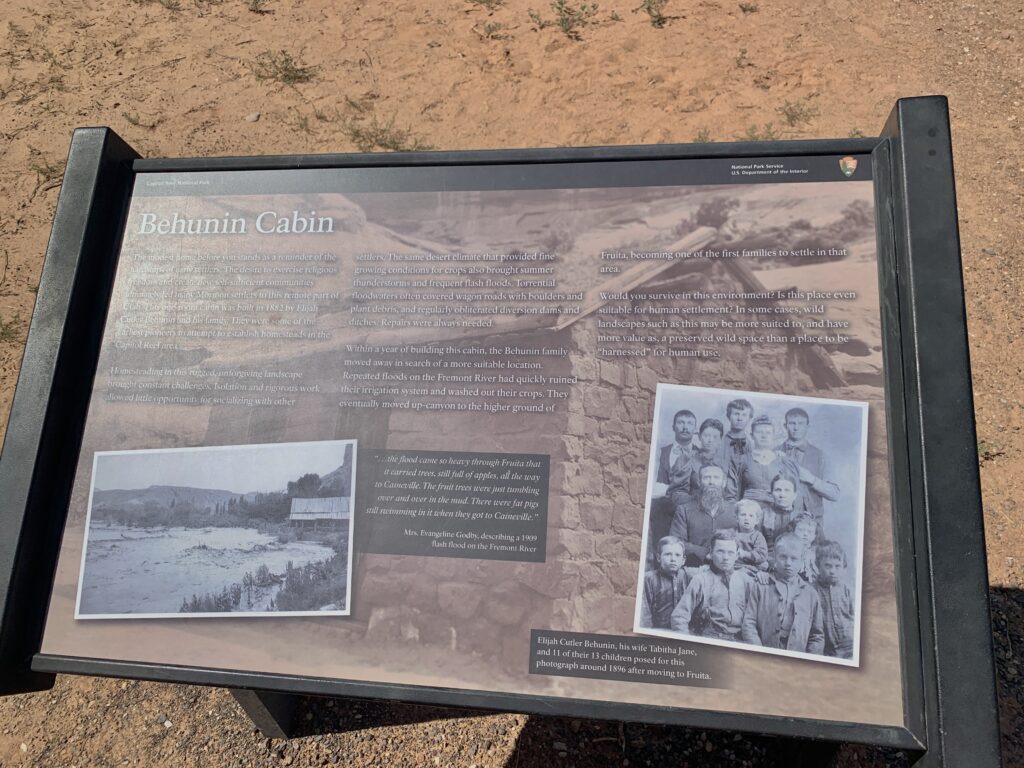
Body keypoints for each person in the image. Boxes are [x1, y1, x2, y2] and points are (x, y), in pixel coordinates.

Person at [741, 534, 824, 654]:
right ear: (774, 557)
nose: (788, 563)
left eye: (794, 558)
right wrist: (759, 652)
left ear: (802, 560)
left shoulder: (811, 594)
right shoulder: (761, 586)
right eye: (783, 557)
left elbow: (817, 636)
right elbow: (749, 624)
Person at [670, 530, 746, 641]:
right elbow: (679, 617)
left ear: (737, 555)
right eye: (720, 551)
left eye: (730, 552)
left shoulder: (745, 581)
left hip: (739, 641)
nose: (725, 557)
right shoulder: (700, 580)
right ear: (711, 553)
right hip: (709, 638)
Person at [777, 407, 840, 527]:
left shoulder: (820, 456)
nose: (796, 428)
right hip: (780, 522)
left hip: (811, 525)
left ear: (808, 426)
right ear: (785, 426)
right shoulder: (774, 453)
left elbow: (834, 494)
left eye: (801, 423)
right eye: (792, 423)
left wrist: (811, 479)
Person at [669, 464, 737, 566]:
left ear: (724, 483)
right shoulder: (684, 510)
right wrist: (705, 553)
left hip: (729, 568)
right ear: (699, 482)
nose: (711, 482)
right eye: (707, 477)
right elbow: (676, 542)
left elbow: (746, 540)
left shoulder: (736, 511)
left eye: (716, 478)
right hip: (695, 568)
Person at [727, 415, 801, 507]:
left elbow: (794, 494)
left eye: (768, 433)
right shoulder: (740, 460)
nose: (764, 436)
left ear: (773, 436)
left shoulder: (784, 461)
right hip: (748, 512)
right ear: (751, 435)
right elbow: (731, 494)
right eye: (759, 432)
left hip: (777, 512)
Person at [815, 540, 855, 659]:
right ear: (818, 565)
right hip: (826, 649)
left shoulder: (848, 589)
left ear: (843, 566)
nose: (833, 571)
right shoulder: (811, 590)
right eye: (828, 565)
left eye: (837, 566)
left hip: (850, 647)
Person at [639, 536, 689, 629]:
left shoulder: (687, 576)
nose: (673, 559)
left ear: (683, 560)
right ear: (658, 557)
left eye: (677, 555)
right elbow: (644, 616)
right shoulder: (648, 579)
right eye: (668, 554)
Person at [655, 409, 700, 507]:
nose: (685, 427)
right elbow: (652, 485)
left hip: (691, 511)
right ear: (673, 427)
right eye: (680, 423)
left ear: (695, 429)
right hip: (661, 511)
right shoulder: (660, 452)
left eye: (690, 424)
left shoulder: (701, 455)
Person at [762, 473, 804, 559]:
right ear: (771, 493)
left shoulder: (803, 518)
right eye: (778, 490)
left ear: (795, 495)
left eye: (787, 490)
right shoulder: (761, 515)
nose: (782, 495)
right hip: (766, 561)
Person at [689, 418, 730, 492]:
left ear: (720, 440)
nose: (710, 440)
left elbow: (731, 492)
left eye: (715, 437)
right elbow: (679, 491)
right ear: (699, 437)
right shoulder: (688, 460)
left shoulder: (727, 462)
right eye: (706, 435)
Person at [733, 499, 768, 571]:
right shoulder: (732, 533)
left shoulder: (758, 536)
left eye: (751, 516)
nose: (746, 518)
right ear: (737, 518)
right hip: (734, 564)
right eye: (743, 515)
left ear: (757, 521)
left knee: (763, 565)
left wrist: (746, 554)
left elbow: (762, 555)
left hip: (751, 566)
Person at [789, 512, 822, 584]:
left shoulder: (816, 553)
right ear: (792, 531)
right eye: (801, 530)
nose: (805, 534)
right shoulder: (787, 550)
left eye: (810, 532)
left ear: (814, 536)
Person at [721, 399, 754, 467]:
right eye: (736, 414)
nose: (740, 418)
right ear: (728, 416)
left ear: (749, 418)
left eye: (744, 415)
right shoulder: (721, 441)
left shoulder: (752, 443)